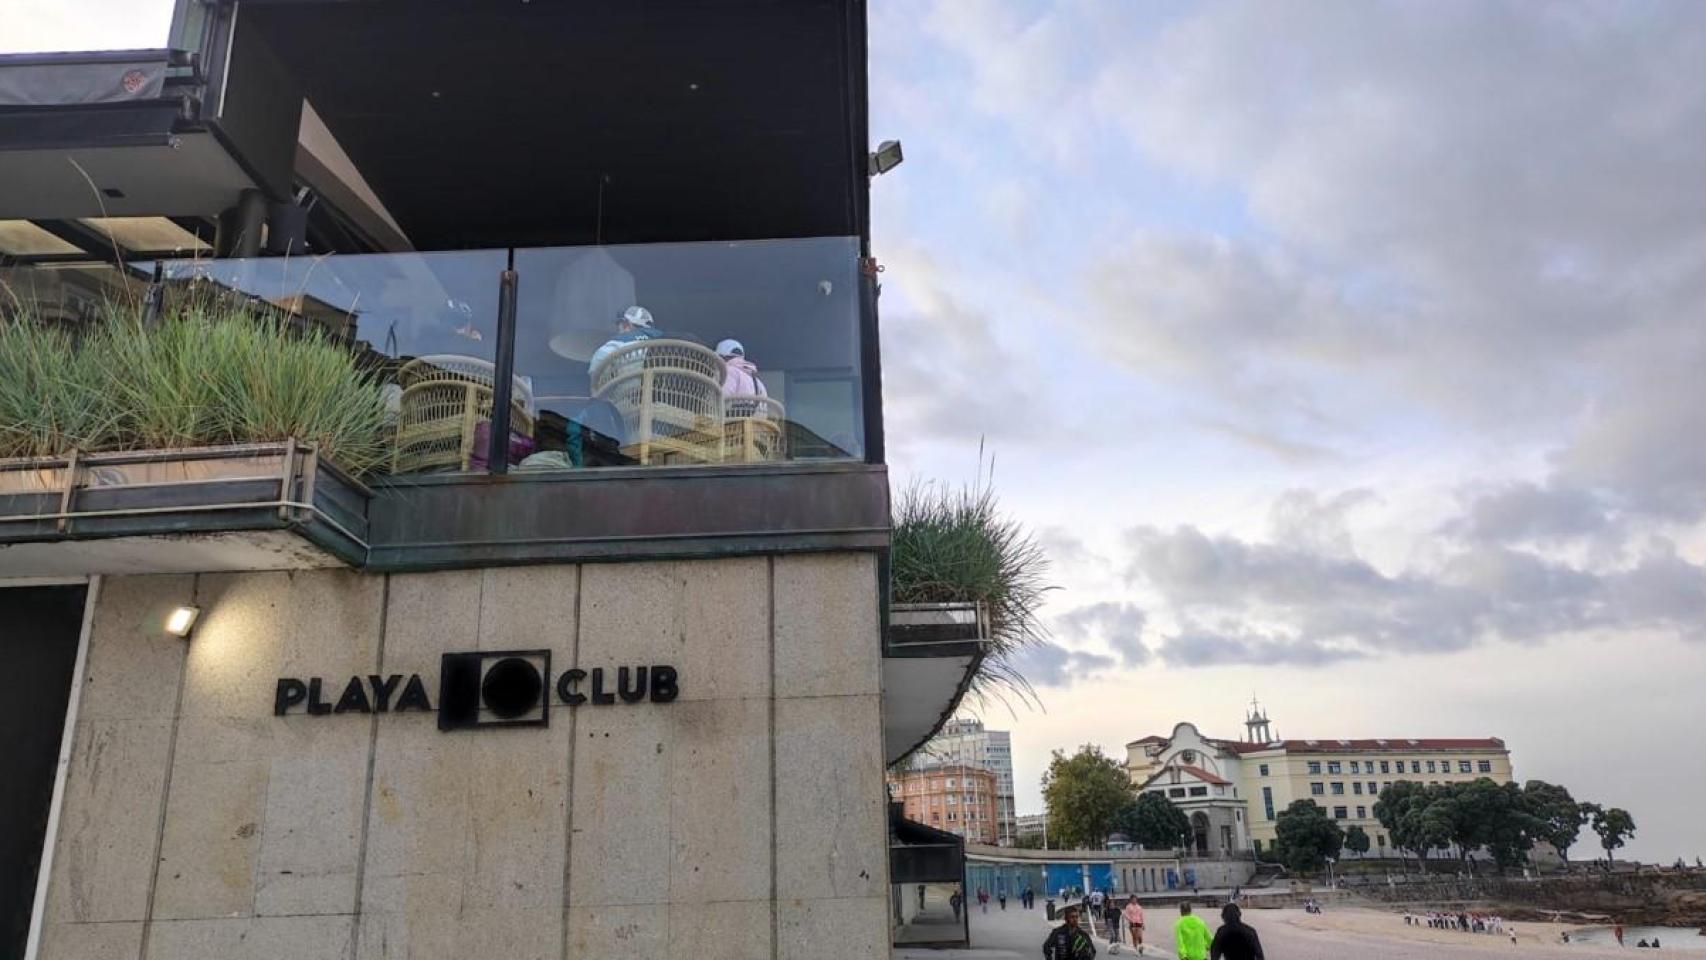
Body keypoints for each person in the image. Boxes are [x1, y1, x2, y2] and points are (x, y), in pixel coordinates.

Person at [588, 305, 661, 378]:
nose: (618, 329)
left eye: (618, 324)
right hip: (663, 387)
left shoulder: (621, 340)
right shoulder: (661, 338)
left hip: (630, 388)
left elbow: (596, 367)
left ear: (626, 324)